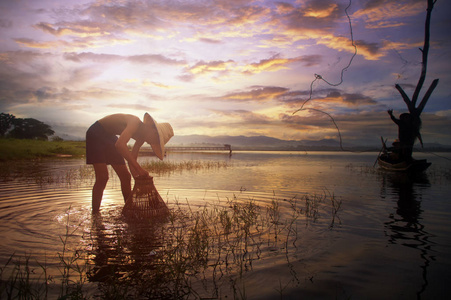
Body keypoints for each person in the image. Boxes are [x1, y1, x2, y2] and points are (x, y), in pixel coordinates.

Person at [86, 113, 173, 213]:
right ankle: (95, 214)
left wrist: (137, 177)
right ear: (153, 130)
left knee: (126, 177)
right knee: (103, 177)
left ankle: (129, 209)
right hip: (96, 132)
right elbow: (120, 145)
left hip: (110, 137)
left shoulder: (142, 137)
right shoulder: (134, 122)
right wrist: (139, 169)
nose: (151, 143)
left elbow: (133, 157)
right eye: (155, 140)